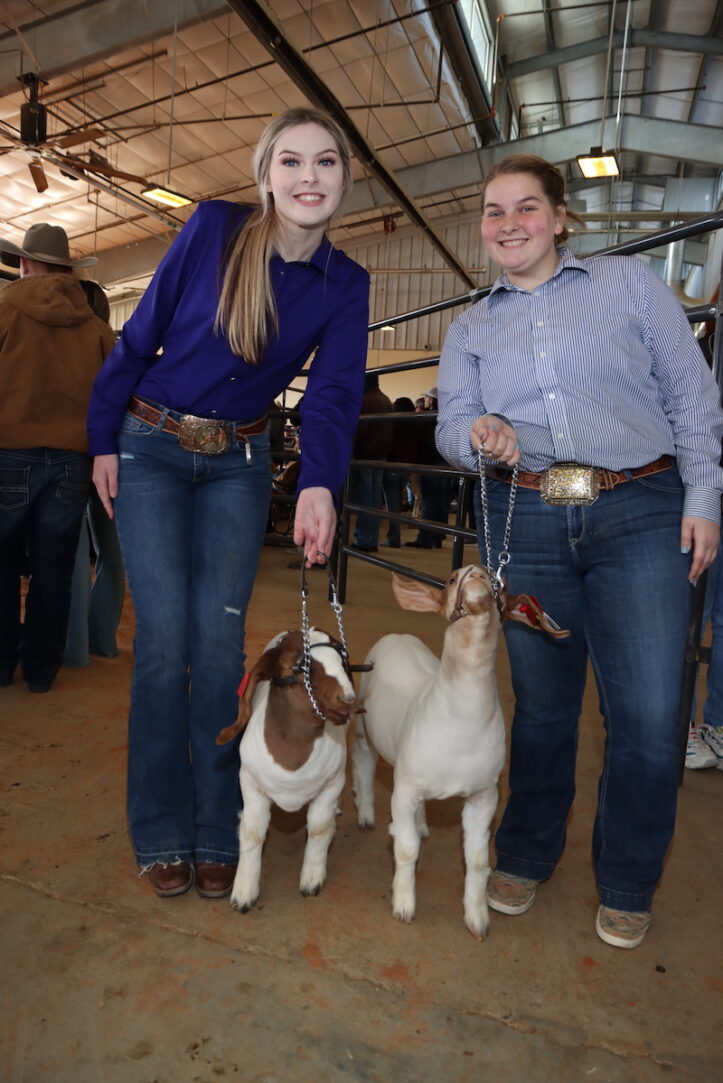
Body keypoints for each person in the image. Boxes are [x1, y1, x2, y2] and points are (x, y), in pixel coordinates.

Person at [436, 154, 723, 949]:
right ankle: (525, 851)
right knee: (543, 705)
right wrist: (475, 436)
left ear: (560, 217)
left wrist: (703, 497)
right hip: (527, 515)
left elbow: (692, 395)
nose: (508, 224)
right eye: (494, 212)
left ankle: (628, 878)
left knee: (644, 711)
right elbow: (450, 423)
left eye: (526, 207)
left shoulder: (629, 286)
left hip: (639, 508)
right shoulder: (471, 327)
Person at [87, 107, 370, 901]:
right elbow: (137, 337)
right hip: (151, 447)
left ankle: (219, 827)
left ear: (344, 180)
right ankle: (158, 825)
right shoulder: (213, 229)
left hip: (242, 461)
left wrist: (318, 479)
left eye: (324, 163)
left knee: (219, 650)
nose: (307, 177)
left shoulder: (344, 284)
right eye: (290, 162)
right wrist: (101, 436)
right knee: (165, 643)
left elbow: (336, 392)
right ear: (264, 174)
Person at [0, 224, 116, 693]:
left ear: (25, 263)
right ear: (67, 268)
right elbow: (115, 393)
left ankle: (2, 663)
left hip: (8, 452)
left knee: (2, 563)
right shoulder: (96, 328)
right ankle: (43, 670)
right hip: (73, 461)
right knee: (55, 566)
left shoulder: (5, 310)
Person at [65, 281, 126, 667]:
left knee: (73, 553)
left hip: (68, 453)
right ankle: (104, 639)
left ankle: (74, 646)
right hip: (113, 455)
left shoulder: (62, 346)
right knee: (112, 554)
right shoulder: (115, 346)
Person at [351, 372, 394, 552]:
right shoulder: (385, 400)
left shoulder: (365, 400)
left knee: (365, 500)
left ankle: (364, 539)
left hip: (366, 456)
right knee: (375, 499)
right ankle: (371, 538)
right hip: (381, 456)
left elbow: (359, 431)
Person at [404, 388, 449, 549]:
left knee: (429, 501)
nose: (425, 399)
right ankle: (437, 535)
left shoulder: (429, 418)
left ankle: (426, 537)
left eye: (428, 397)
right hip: (444, 463)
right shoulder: (446, 416)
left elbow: (425, 441)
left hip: (430, 462)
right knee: (439, 501)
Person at [381, 396, 418, 548]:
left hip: (392, 465)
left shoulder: (393, 423)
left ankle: (393, 537)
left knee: (392, 505)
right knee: (397, 502)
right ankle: (394, 536)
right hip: (407, 467)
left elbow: (388, 443)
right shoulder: (415, 424)